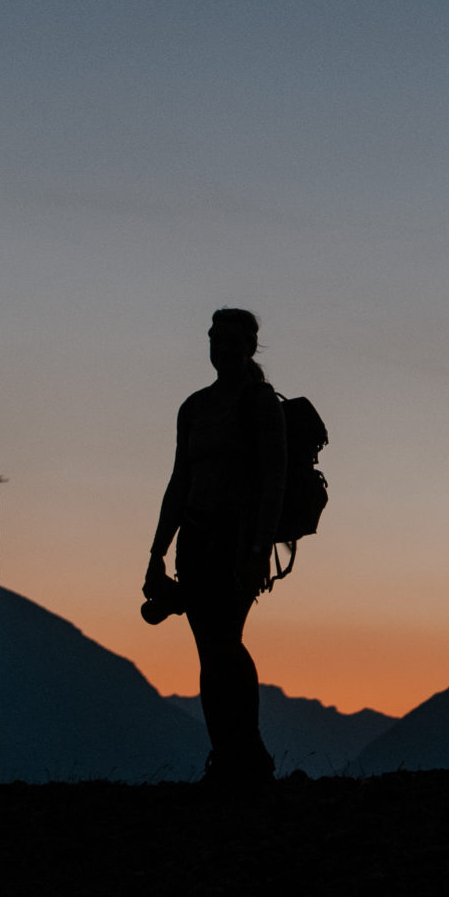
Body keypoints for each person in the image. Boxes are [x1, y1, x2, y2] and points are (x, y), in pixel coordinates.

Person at [145, 308, 284, 785]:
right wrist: (156, 552)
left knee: (224, 644)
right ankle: (231, 755)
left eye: (227, 340)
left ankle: (245, 752)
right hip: (196, 542)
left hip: (237, 544)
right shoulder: (194, 408)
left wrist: (258, 552)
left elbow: (273, 483)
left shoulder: (261, 403)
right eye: (213, 339)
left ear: (247, 346)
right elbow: (179, 481)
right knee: (213, 651)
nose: (218, 348)